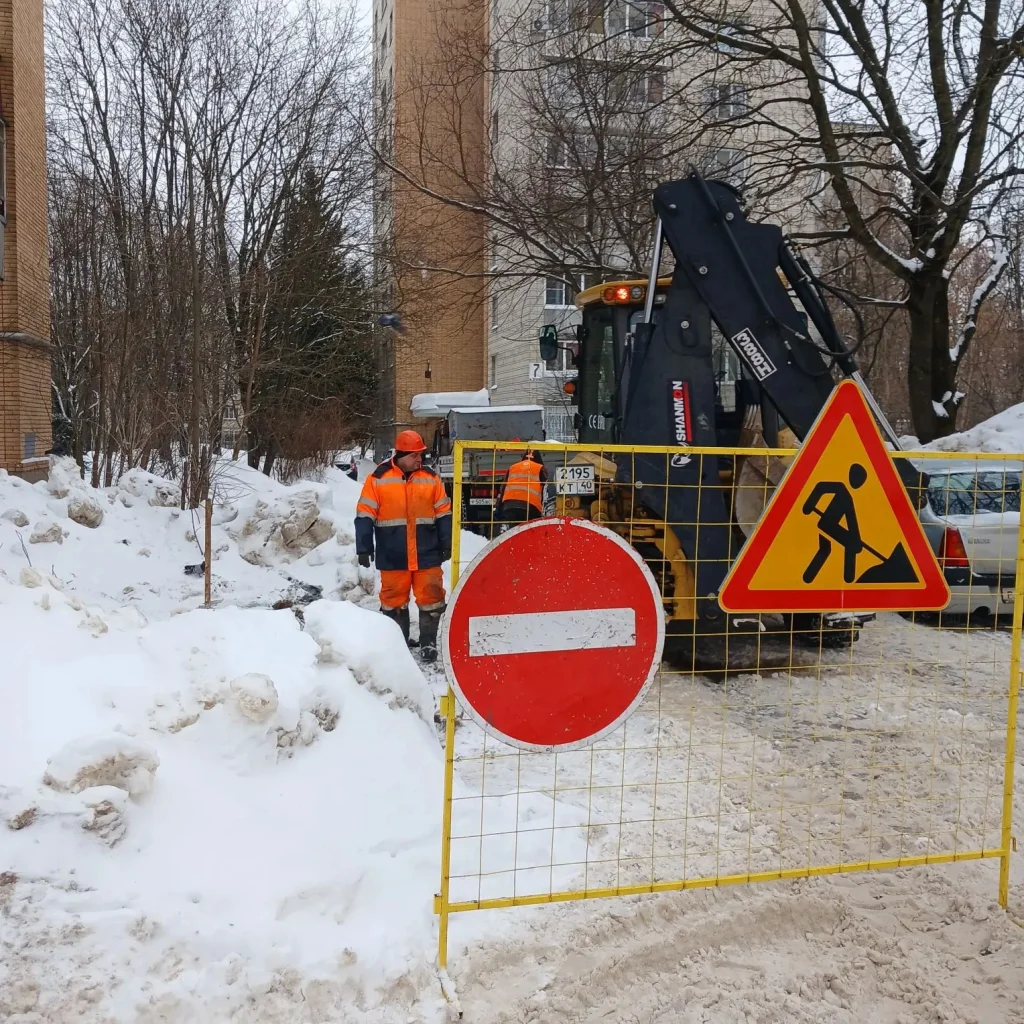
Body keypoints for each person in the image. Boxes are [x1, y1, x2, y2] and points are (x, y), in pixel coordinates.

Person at [355, 430, 452, 663]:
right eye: (414, 455)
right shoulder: (377, 479)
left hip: (427, 551)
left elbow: (443, 513)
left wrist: (446, 542)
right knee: (394, 600)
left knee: (432, 597)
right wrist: (364, 546)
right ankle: (399, 645)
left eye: (421, 455)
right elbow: (365, 513)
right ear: (401, 455)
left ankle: (428, 643)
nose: (420, 459)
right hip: (393, 553)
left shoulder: (431, 478)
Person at [498, 449, 547, 528]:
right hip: (530, 507)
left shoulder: (513, 467)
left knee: (514, 530)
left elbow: (502, 489)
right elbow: (546, 490)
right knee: (529, 531)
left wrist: (498, 509)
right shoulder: (540, 468)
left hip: (509, 505)